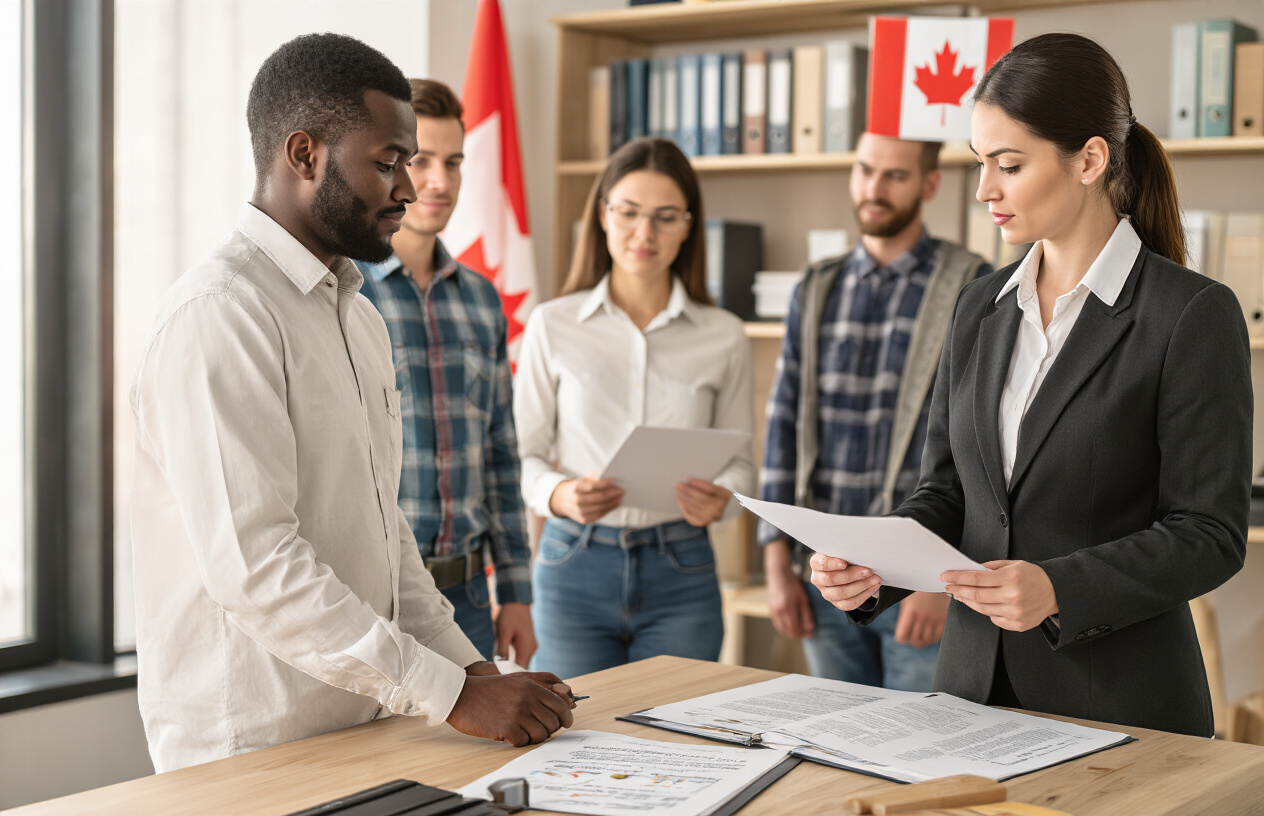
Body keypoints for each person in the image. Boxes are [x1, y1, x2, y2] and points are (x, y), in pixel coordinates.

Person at [129, 33, 573, 773]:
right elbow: (259, 568)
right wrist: (452, 695)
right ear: (304, 155)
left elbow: (382, 529)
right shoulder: (220, 314)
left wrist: (472, 673)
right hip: (252, 747)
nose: (408, 188)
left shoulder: (356, 314)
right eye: (388, 163)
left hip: (364, 723)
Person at [810, 33, 1250, 737]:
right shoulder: (978, 306)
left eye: (1008, 165)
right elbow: (949, 493)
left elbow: (1210, 532)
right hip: (969, 700)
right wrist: (877, 565)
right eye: (981, 163)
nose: (985, 188)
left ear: (1090, 160)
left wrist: (1058, 588)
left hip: (1121, 710)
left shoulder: (1191, 314)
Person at [514, 137, 755, 679]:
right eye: (628, 213)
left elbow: (741, 465)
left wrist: (724, 504)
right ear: (603, 215)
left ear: (689, 225)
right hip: (573, 564)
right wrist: (559, 493)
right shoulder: (552, 325)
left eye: (665, 217)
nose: (644, 233)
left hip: (682, 568)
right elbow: (522, 456)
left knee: (678, 740)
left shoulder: (724, 336)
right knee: (574, 738)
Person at [760, 133, 992, 691]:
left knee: (919, 759)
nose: (874, 189)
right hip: (827, 571)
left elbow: (980, 446)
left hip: (920, 578)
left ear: (930, 184)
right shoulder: (817, 286)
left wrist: (942, 584)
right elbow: (783, 423)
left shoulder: (973, 283)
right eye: (865, 171)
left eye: (896, 176)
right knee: (840, 747)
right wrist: (777, 567)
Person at [354, 79, 534, 666]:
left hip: (468, 599)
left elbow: (501, 451)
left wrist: (516, 592)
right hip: (371, 596)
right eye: (419, 161)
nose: (439, 182)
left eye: (453, 163)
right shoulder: (344, 294)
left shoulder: (482, 299)